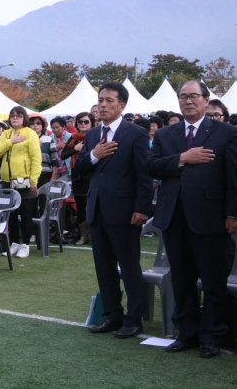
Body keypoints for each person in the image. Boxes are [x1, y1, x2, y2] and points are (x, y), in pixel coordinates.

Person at [148, 80, 237, 358]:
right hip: (174, 217)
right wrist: (183, 158)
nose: (188, 101)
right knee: (182, 280)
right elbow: (151, 166)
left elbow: (234, 177)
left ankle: (211, 335)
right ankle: (186, 332)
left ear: (206, 99)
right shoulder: (166, 135)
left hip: (211, 218)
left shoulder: (226, 132)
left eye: (193, 96)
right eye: (183, 97)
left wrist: (233, 213)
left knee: (212, 281)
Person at [76, 82, 153, 339]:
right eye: (101, 100)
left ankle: (134, 320)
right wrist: (94, 155)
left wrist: (142, 208)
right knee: (104, 268)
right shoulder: (91, 135)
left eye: (109, 100)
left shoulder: (135, 133)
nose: (103, 105)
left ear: (122, 105)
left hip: (125, 210)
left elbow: (144, 174)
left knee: (129, 268)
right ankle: (111, 315)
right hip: (96, 209)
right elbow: (80, 170)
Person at [0, 106, 41, 258]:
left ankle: (25, 244)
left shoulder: (30, 133)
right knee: (11, 214)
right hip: (7, 180)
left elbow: (36, 158)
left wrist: (34, 180)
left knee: (25, 213)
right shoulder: (6, 134)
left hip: (24, 180)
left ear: (24, 118)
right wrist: (11, 141)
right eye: (12, 115)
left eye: (19, 115)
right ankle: (13, 243)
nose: (15, 118)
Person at [61, 112, 94, 245]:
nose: (83, 124)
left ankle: (96, 235)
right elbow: (63, 155)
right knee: (80, 207)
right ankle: (83, 235)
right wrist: (75, 148)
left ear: (92, 122)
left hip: (92, 176)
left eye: (86, 121)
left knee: (95, 206)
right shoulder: (74, 137)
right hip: (77, 176)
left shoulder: (96, 135)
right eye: (80, 121)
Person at [29, 113, 60, 219]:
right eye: (32, 123)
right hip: (29, 175)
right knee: (31, 204)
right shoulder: (24, 139)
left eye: (38, 123)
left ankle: (44, 230)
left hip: (45, 175)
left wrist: (54, 175)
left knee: (44, 203)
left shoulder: (48, 139)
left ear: (42, 126)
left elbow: (54, 159)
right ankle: (32, 231)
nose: (35, 125)